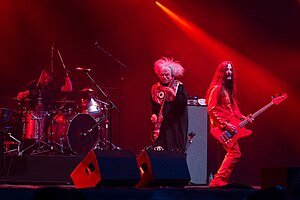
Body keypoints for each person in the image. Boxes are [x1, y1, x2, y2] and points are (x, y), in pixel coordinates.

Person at [206, 61, 253, 187]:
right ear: (221, 72)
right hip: (221, 127)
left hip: (229, 126)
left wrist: (243, 117)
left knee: (234, 153)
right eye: (226, 70)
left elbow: (234, 109)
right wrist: (224, 125)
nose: (229, 72)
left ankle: (221, 180)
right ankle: (217, 180)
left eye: (231, 70)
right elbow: (211, 109)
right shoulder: (216, 89)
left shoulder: (228, 89)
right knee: (234, 153)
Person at [150, 57, 188, 153]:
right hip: (161, 126)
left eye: (167, 75)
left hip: (175, 125)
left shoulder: (178, 86)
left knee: (174, 150)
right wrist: (154, 114)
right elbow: (154, 105)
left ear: (172, 75)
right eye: (162, 75)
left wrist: (173, 95)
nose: (164, 77)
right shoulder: (155, 88)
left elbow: (183, 103)